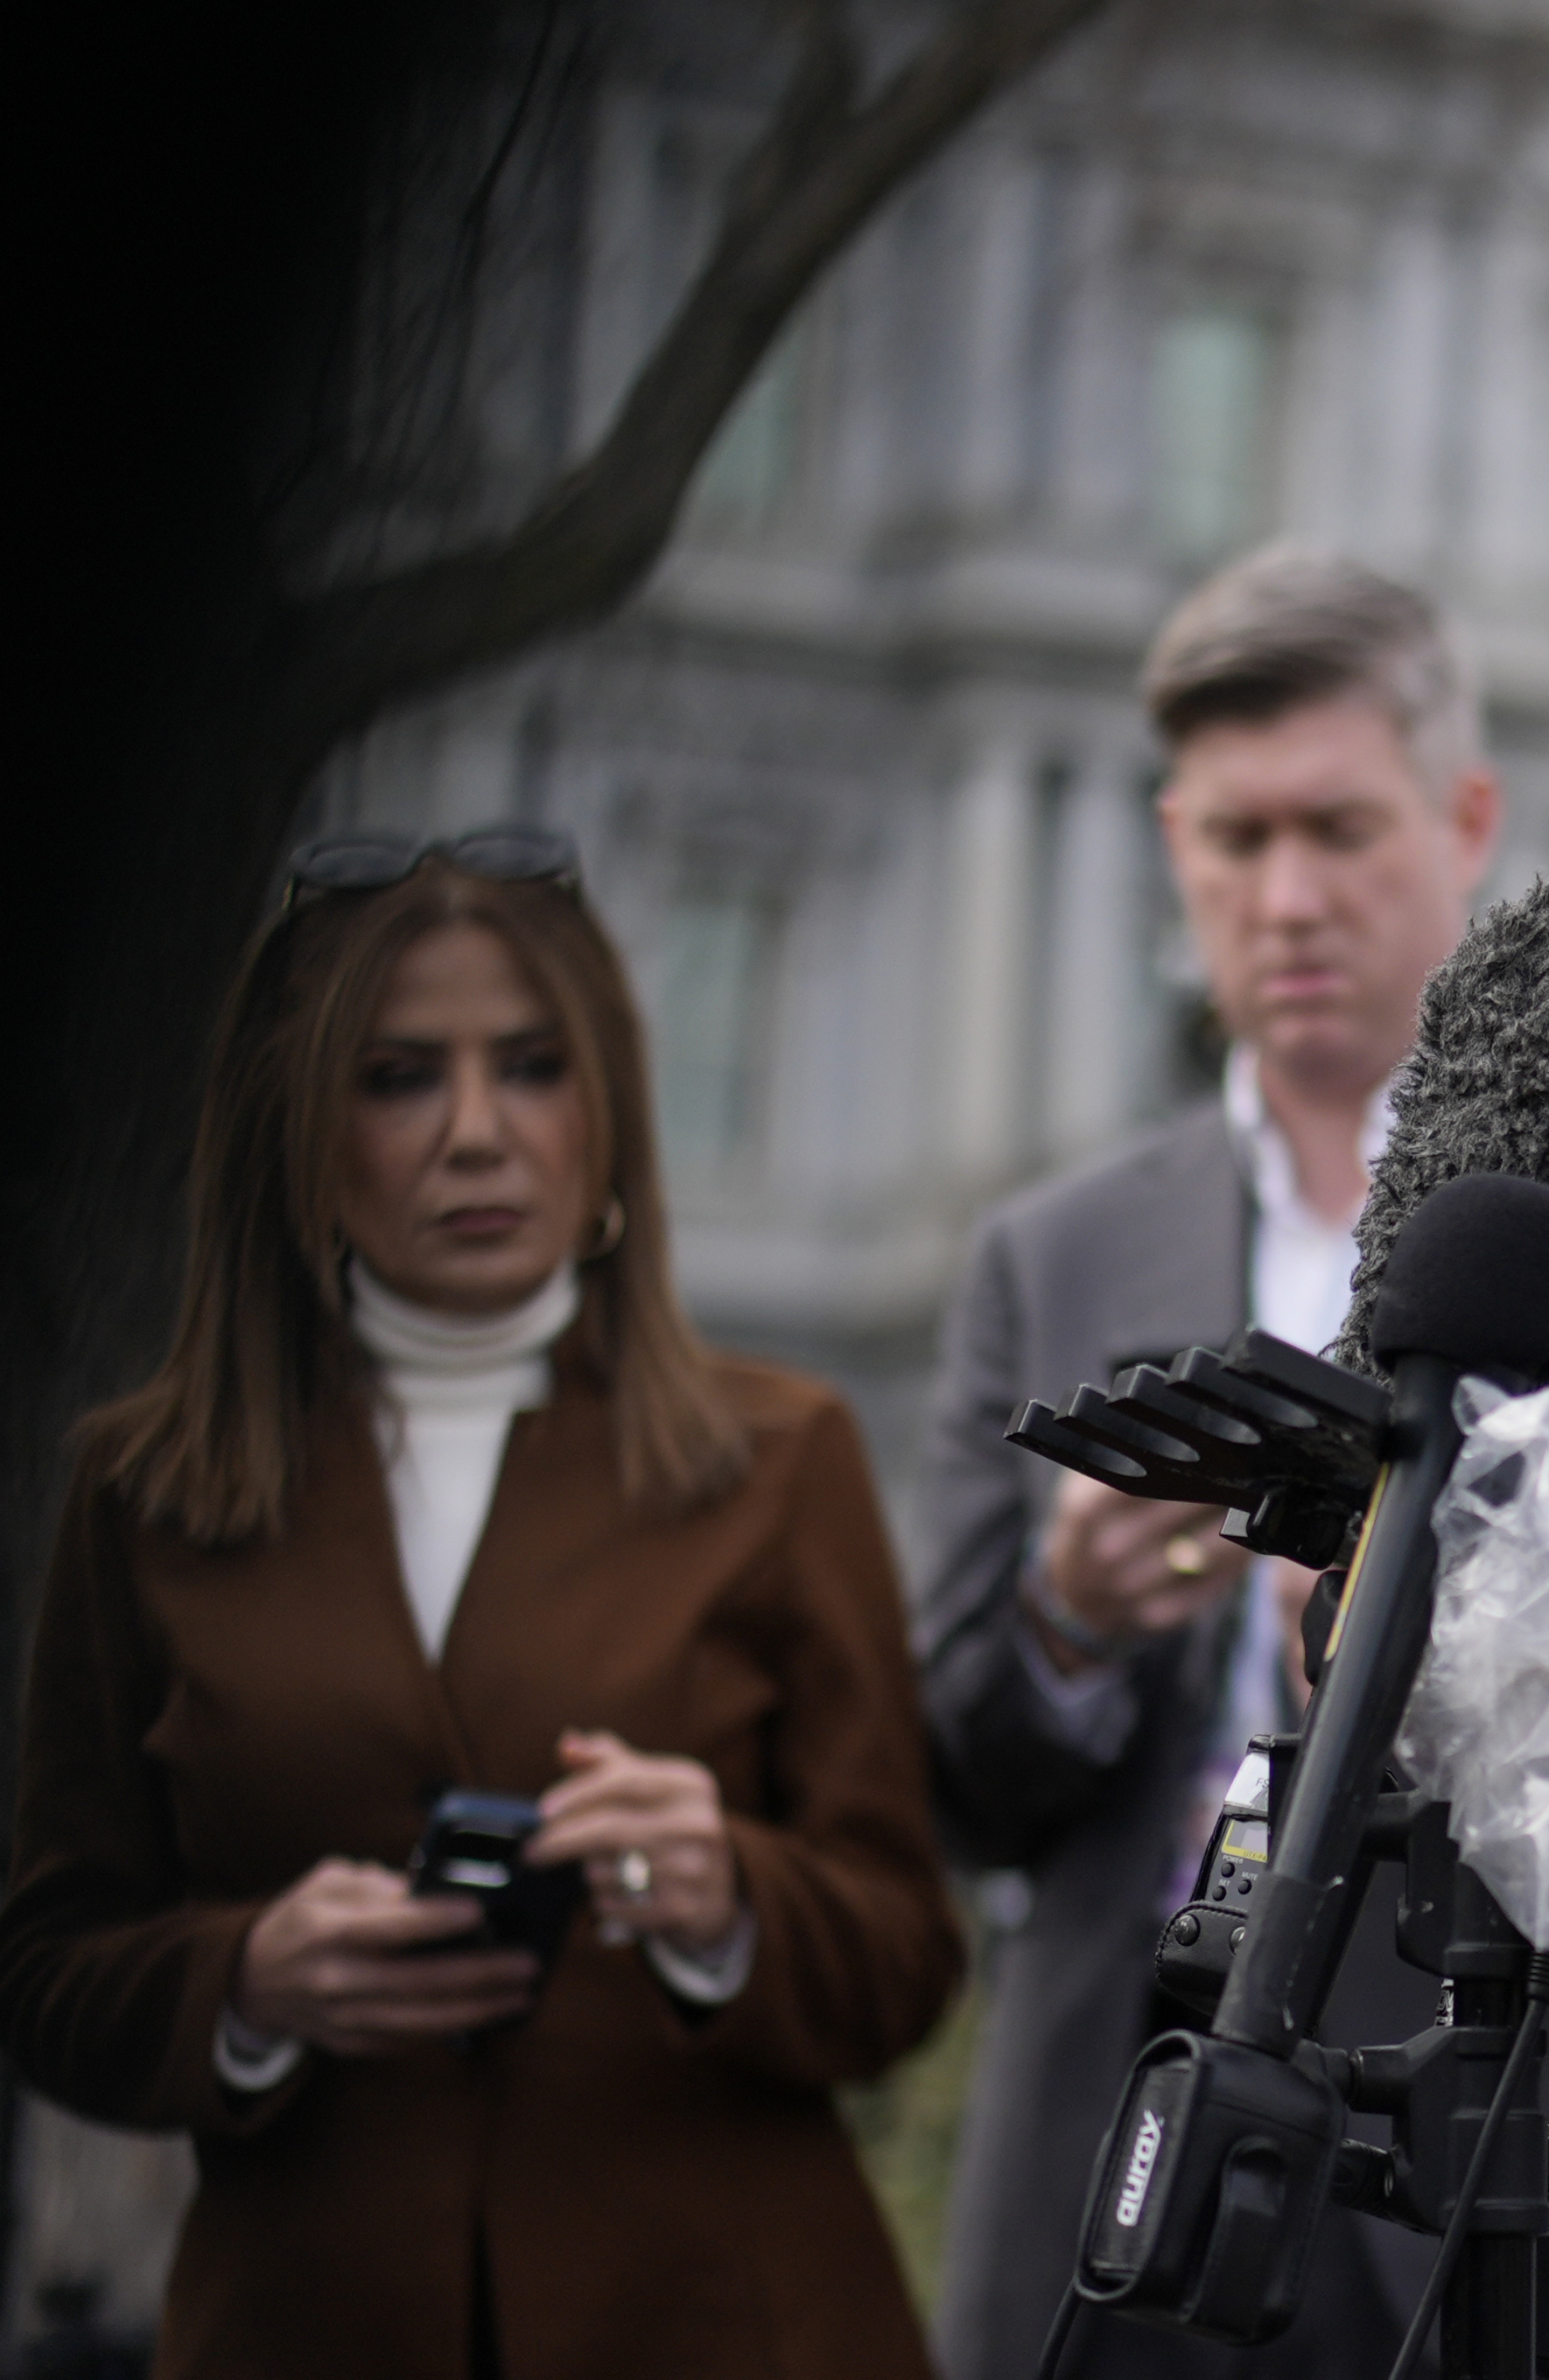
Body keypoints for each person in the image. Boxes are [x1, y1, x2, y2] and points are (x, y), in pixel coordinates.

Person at [916, 547, 1549, 2380]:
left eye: (1339, 826)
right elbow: (950, 1767)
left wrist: (1447, 1624)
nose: (1289, 895)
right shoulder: (1054, 1251)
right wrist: (1074, 1622)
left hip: (1527, 2146)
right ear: (1175, 842)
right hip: (1137, 2147)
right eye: (1236, 840)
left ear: (1466, 817)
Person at [0, 830, 964, 2380]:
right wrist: (245, 1979)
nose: (474, 1134)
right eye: (396, 1077)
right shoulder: (147, 1493)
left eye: (529, 1067)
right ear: (295, 1121)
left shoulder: (781, 1459)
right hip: (301, 2327)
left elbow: (906, 1956)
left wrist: (725, 1902)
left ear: (606, 1112)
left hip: (726, 2328)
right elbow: (49, 1969)